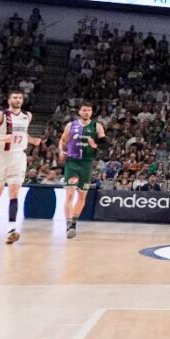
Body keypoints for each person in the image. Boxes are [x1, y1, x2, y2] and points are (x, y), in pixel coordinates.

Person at [0, 88, 41, 244]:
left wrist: (32, 140)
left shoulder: (27, 116)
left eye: (20, 98)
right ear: (9, 100)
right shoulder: (0, 115)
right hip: (1, 156)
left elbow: (22, 134)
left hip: (18, 157)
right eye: (15, 97)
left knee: (14, 192)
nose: (18, 100)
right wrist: (2, 139)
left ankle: (11, 230)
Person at [58, 101, 104, 239]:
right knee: (70, 194)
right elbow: (63, 140)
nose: (86, 112)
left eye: (89, 110)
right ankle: (68, 224)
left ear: (92, 112)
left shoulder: (97, 126)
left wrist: (95, 145)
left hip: (87, 163)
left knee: (82, 195)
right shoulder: (71, 125)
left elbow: (105, 144)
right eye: (84, 110)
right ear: (79, 111)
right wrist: (61, 151)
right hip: (72, 162)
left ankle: (74, 222)